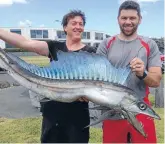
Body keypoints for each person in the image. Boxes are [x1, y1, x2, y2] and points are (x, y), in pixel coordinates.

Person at [0, 10, 96, 143]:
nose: (78, 27)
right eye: (74, 23)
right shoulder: (55, 47)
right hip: (53, 113)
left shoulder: (91, 52)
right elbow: (25, 43)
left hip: (77, 116)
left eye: (81, 24)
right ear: (65, 27)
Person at [96, 1, 162, 143]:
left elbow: (156, 81)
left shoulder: (149, 44)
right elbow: (96, 78)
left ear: (140, 19)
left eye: (132, 18)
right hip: (112, 111)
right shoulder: (106, 44)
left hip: (140, 109)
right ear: (118, 19)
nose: (128, 22)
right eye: (124, 18)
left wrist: (142, 73)